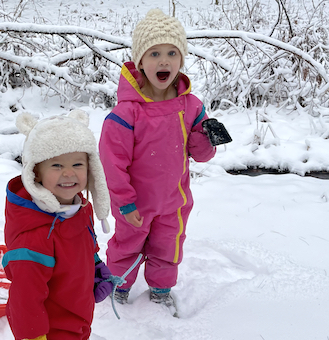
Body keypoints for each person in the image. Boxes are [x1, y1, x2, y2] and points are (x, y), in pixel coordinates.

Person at [98, 8, 217, 315]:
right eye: (154, 54)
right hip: (135, 204)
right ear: (140, 62)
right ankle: (118, 287)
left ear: (181, 59)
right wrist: (125, 203)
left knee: (168, 247)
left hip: (175, 201)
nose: (164, 61)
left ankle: (161, 291)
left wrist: (207, 138)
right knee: (127, 246)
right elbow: (113, 165)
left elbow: (200, 154)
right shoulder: (126, 114)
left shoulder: (190, 106)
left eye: (172, 53)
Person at [2, 110, 114, 340]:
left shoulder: (80, 209)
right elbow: (25, 299)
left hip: (77, 319)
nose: (69, 172)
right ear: (36, 173)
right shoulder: (35, 237)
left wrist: (94, 266)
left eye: (77, 163)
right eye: (56, 165)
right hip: (51, 332)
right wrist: (34, 337)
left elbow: (82, 247)